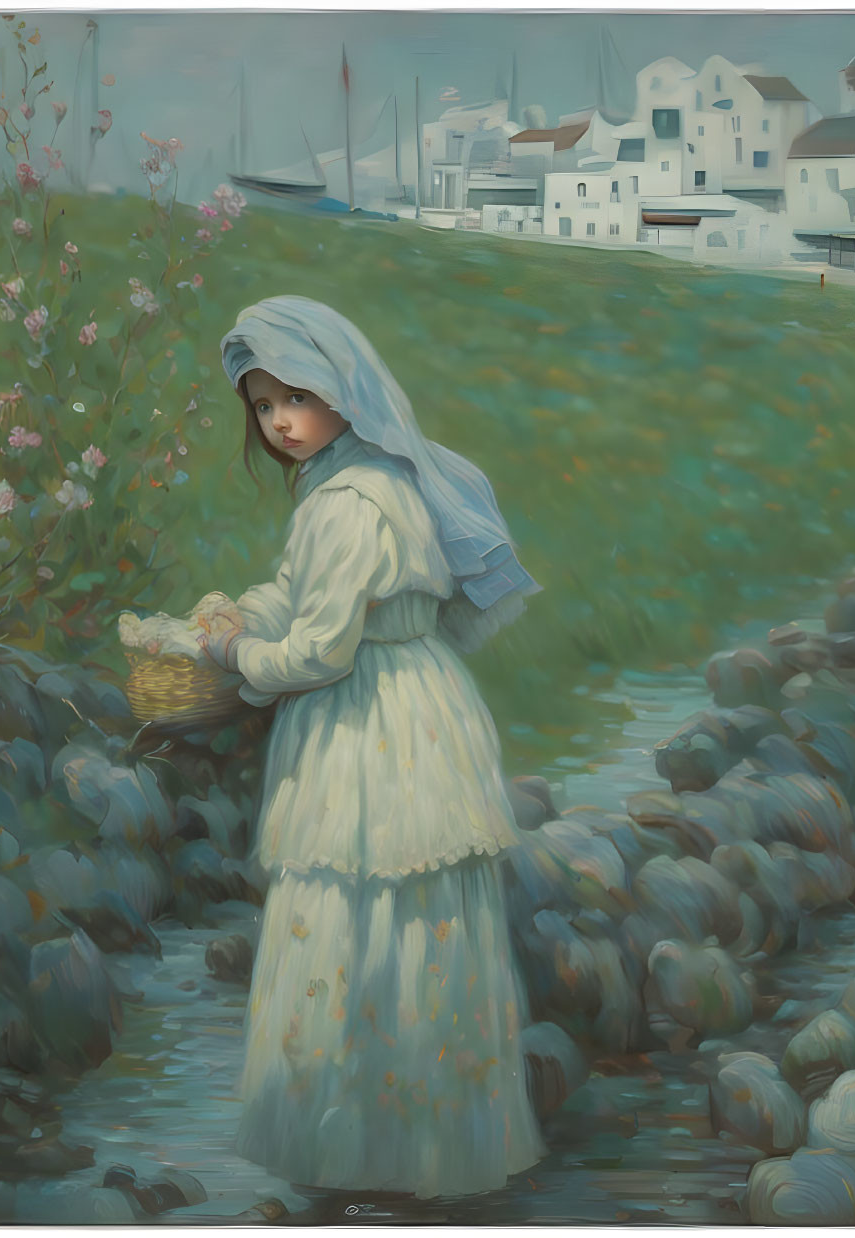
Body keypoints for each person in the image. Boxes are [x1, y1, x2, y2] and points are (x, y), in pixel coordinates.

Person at [194, 295, 547, 1199]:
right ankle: (395, 1146)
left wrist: (237, 654)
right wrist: (245, 609)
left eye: (295, 399)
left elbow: (319, 648)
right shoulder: (349, 479)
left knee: (370, 906)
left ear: (344, 391)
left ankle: (376, 1151)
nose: (279, 423)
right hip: (402, 700)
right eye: (264, 405)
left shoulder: (358, 501)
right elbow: (297, 590)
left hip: (373, 719)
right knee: (386, 914)